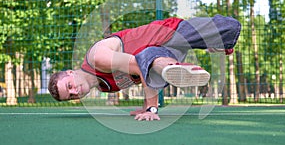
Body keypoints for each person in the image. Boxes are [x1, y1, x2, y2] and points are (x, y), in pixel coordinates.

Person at [48, 14, 241, 121]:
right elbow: (139, 72)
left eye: (70, 86)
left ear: (71, 73)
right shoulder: (104, 86)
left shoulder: (98, 58)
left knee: (230, 27)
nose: (75, 92)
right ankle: (176, 66)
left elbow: (139, 66)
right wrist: (143, 108)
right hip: (160, 57)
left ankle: (209, 46)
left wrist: (151, 108)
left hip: (168, 33)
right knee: (150, 61)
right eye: (71, 96)